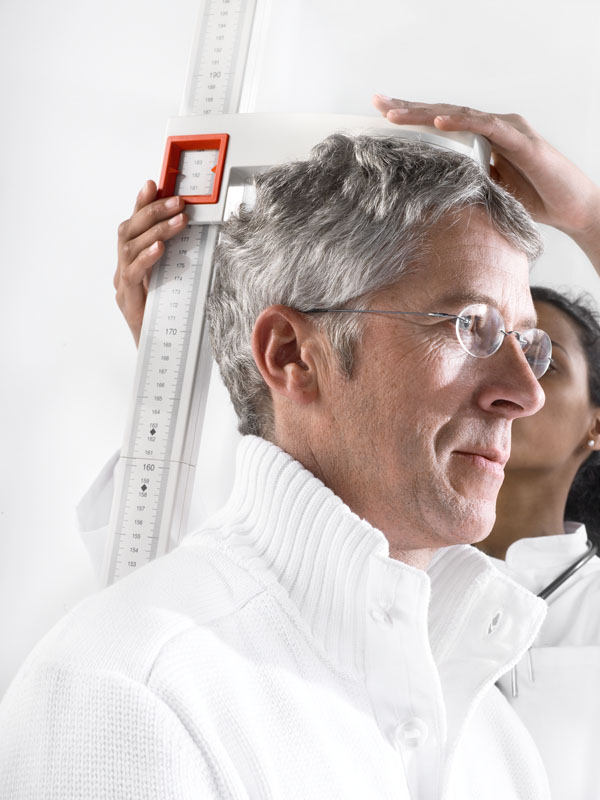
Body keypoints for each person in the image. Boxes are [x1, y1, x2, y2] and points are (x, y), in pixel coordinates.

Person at [0, 103, 580, 798]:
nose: (526, 393)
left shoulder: (491, 734)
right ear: (291, 355)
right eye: (469, 325)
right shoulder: (131, 694)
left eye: (528, 344)